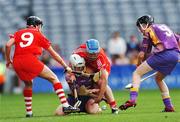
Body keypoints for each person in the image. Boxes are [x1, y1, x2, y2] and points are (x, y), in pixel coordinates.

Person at [5, 16, 79, 117]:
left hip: (17, 62)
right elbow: (53, 54)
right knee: (54, 78)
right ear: (36, 25)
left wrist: (8, 60)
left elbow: (8, 45)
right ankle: (65, 106)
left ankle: (29, 113)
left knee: (28, 84)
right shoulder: (39, 34)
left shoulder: (18, 33)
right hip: (30, 60)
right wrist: (65, 66)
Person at [119, 15, 180, 112]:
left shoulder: (148, 30)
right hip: (175, 55)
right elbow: (178, 39)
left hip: (163, 54)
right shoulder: (164, 27)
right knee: (159, 79)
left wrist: (138, 65)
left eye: (141, 25)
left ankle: (132, 99)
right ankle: (169, 106)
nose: (140, 29)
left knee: (136, 73)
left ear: (146, 24)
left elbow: (141, 54)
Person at [72, 39, 119, 114]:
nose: (93, 56)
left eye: (95, 54)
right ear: (86, 51)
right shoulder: (78, 52)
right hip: (87, 64)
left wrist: (99, 97)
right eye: (91, 54)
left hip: (100, 66)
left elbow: (104, 80)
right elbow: (71, 62)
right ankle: (97, 98)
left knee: (101, 82)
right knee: (86, 83)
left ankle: (113, 106)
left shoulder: (101, 57)